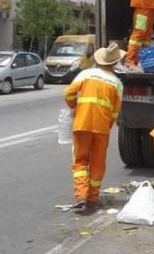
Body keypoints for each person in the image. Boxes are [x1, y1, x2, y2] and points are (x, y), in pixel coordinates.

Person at [64, 43, 125, 211]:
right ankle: (92, 198)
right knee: (98, 163)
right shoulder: (117, 83)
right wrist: (107, 126)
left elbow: (68, 94)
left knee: (81, 161)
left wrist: (75, 108)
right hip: (102, 128)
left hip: (82, 124)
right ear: (114, 63)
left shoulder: (86, 74)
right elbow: (115, 112)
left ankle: (80, 196)